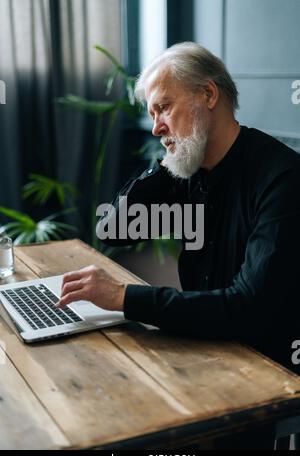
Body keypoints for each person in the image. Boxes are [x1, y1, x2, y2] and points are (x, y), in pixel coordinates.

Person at [57, 42, 300, 377]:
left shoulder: (283, 178)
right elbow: (114, 229)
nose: (156, 128)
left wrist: (122, 296)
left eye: (165, 108)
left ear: (209, 95)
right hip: (204, 342)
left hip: (268, 363)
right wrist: (167, 162)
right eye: (152, 115)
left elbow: (248, 308)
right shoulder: (190, 164)